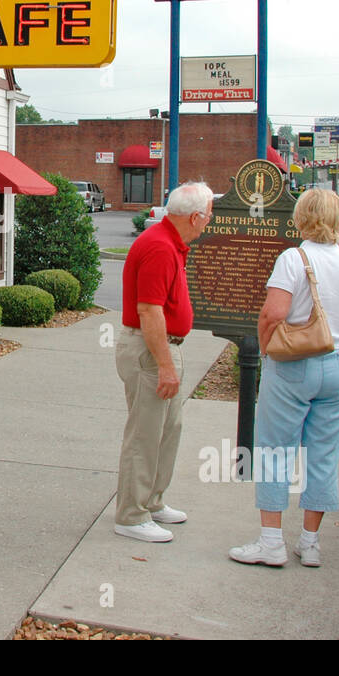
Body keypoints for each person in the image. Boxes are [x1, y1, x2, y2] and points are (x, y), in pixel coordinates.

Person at [229, 188, 339, 567]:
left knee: (275, 450)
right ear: (338, 219)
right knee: (325, 454)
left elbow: (272, 315)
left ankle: (271, 542)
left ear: (301, 218)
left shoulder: (292, 259)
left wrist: (266, 352)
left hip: (295, 364)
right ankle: (310, 544)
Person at [115, 180, 214, 542]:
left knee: (167, 430)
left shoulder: (170, 243)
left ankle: (152, 502)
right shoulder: (159, 246)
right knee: (145, 434)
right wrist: (166, 366)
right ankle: (130, 515)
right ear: (195, 217)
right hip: (151, 351)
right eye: (208, 216)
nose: (209, 222)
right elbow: (149, 310)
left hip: (160, 348)